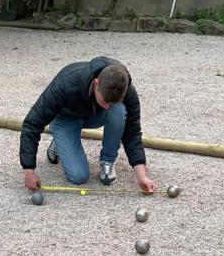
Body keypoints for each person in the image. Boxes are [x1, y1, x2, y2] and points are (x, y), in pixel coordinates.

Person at [20, 56, 156, 193]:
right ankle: (60, 140)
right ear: (96, 83)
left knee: (119, 110)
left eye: (111, 102)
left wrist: (142, 176)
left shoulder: (125, 89)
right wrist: (29, 171)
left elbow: (132, 131)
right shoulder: (65, 84)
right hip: (66, 118)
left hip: (93, 113)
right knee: (79, 176)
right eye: (105, 101)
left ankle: (107, 162)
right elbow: (31, 124)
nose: (108, 107)